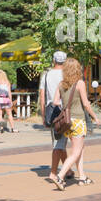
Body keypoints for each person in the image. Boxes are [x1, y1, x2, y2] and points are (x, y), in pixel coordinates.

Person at [53, 57, 101, 190]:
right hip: (78, 121)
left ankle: (82, 177)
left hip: (67, 122)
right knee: (76, 152)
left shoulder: (61, 84)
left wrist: (66, 103)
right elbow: (86, 103)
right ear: (77, 69)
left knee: (80, 149)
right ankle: (60, 176)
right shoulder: (79, 83)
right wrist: (95, 117)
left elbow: (55, 102)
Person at [40, 51, 69, 182]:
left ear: (54, 60)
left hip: (51, 110)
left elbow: (42, 96)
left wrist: (43, 115)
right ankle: (53, 172)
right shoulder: (67, 75)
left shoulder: (46, 75)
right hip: (65, 110)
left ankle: (68, 170)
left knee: (59, 141)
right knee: (59, 143)